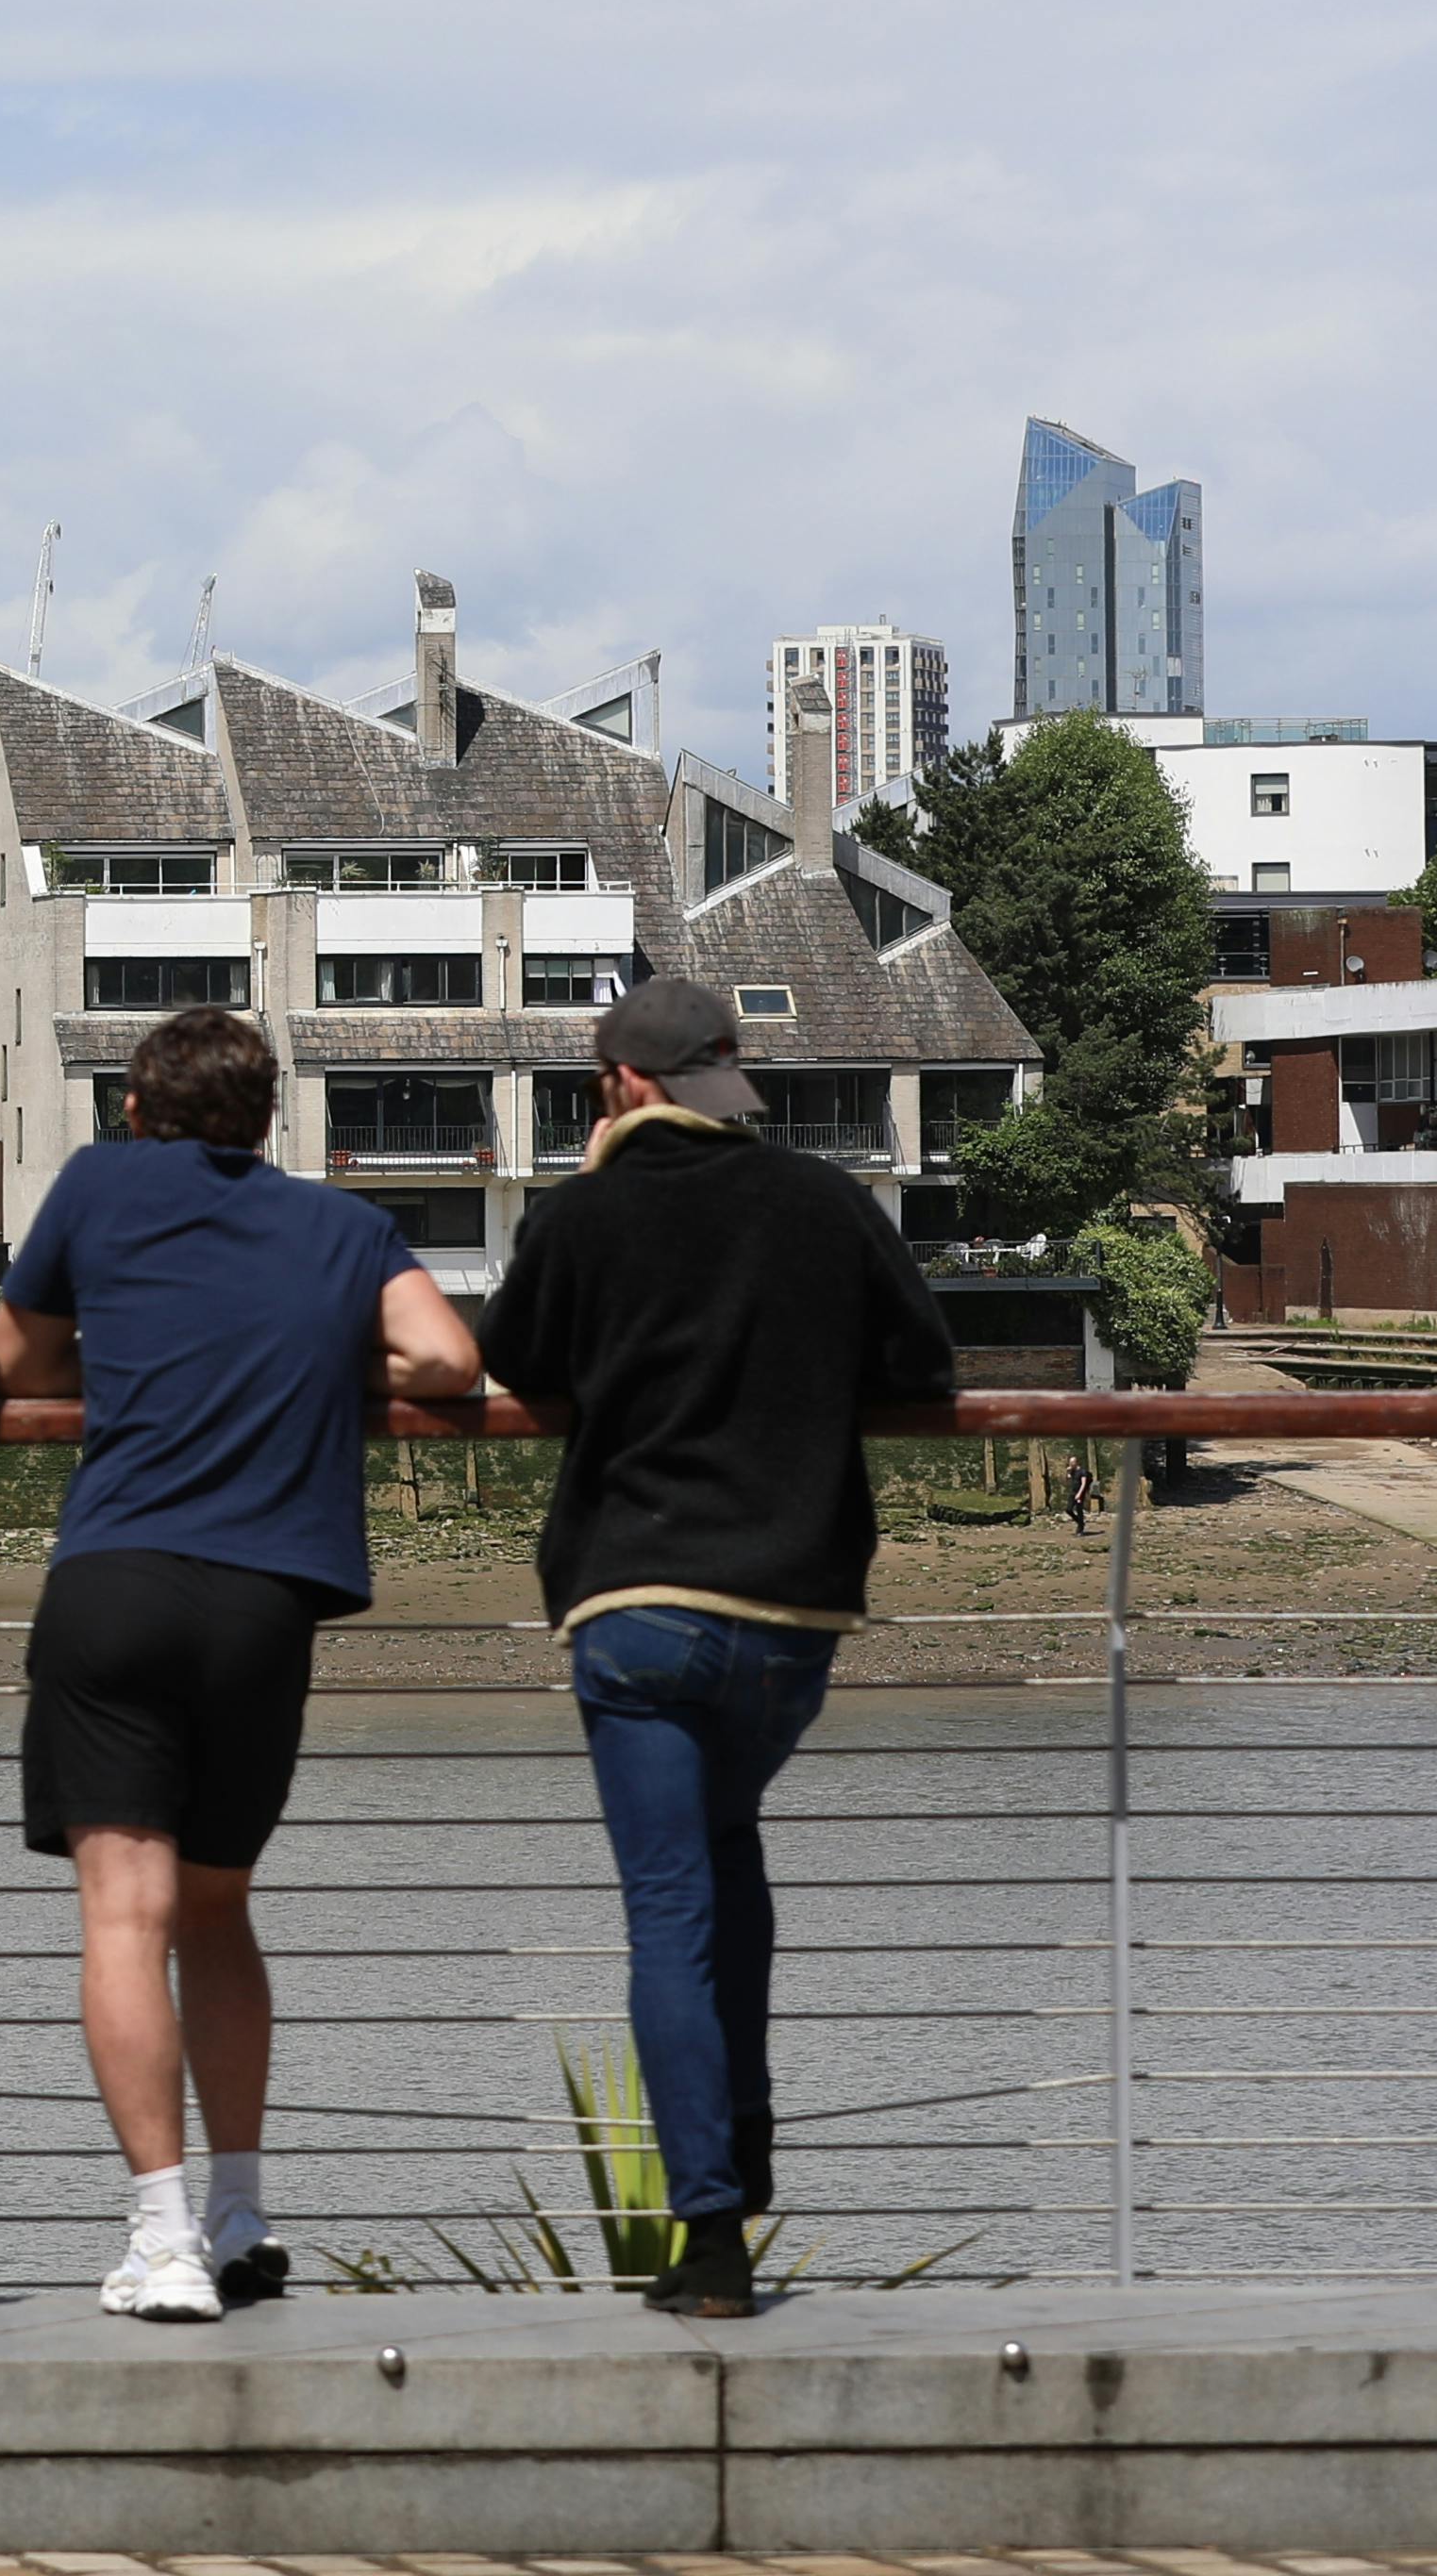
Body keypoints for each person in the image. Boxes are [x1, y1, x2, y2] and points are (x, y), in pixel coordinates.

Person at [477, 976, 964, 2322]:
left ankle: (708, 2235)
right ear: (726, 1080)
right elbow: (925, 1370)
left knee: (669, 1908)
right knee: (726, 1849)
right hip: (789, 1620)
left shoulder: (586, 1214)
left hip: (636, 1609)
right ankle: (742, 2144)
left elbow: (513, 1363)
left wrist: (589, 1191)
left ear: (622, 1085)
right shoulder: (824, 1203)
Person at [0, 1004, 484, 2323]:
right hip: (266, 1601)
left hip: (119, 1581)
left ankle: (159, 2243)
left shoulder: (99, 1182)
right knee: (215, 1910)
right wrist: (317, 1352)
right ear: (268, 1119)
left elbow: (15, 1358)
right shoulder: (341, 1228)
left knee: (123, 1919)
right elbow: (446, 1357)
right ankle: (243, 2207)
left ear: (137, 1112)